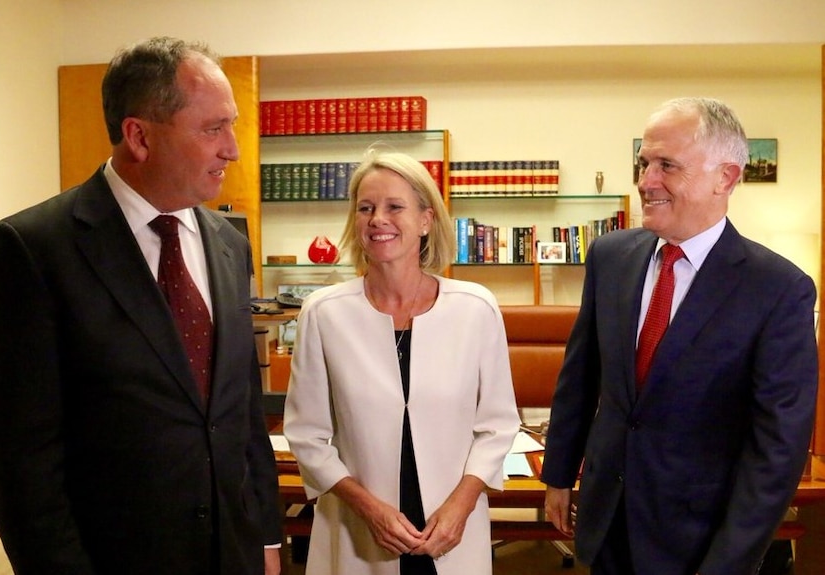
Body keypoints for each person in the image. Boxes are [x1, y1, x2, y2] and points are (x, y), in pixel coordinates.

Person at [0, 37, 282, 574]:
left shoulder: (229, 244)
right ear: (138, 136)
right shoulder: (33, 249)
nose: (232, 148)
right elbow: (20, 460)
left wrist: (266, 540)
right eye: (213, 129)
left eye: (231, 125)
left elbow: (242, 413)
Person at [541, 97, 818, 575]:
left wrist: (728, 561)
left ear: (725, 178)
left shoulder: (779, 290)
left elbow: (777, 450)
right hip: (606, 521)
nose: (647, 181)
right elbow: (580, 378)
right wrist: (559, 474)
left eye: (667, 165)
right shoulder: (610, 257)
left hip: (700, 541)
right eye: (645, 163)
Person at [282, 151, 520, 575]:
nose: (378, 219)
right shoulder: (323, 312)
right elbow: (308, 435)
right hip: (358, 528)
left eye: (394, 207)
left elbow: (498, 425)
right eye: (366, 208)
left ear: (426, 220)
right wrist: (369, 509)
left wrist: (461, 506)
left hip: (449, 529)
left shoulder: (475, 308)